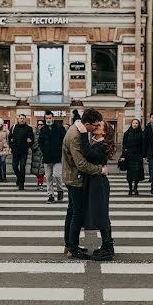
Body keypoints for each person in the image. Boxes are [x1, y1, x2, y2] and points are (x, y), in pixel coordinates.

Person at [62, 108, 109, 259]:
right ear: (86, 124)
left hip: (72, 177)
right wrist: (100, 170)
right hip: (75, 178)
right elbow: (81, 163)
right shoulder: (76, 135)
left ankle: (69, 244)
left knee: (72, 211)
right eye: (93, 126)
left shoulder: (76, 130)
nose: (94, 129)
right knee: (77, 213)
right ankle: (73, 248)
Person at [78, 121, 116, 260]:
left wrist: (83, 134)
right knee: (100, 213)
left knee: (102, 214)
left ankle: (108, 247)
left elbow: (88, 153)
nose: (95, 127)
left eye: (99, 126)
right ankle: (107, 245)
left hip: (98, 183)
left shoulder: (102, 145)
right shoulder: (97, 142)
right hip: (94, 181)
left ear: (104, 132)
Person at [38, 111, 66, 203]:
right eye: (47, 118)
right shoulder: (43, 129)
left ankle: (60, 190)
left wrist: (62, 151)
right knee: (48, 177)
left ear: (53, 118)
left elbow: (64, 141)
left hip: (57, 157)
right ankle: (50, 195)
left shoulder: (59, 128)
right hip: (47, 157)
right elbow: (40, 141)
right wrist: (43, 150)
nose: (48, 120)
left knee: (57, 175)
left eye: (50, 118)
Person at [119, 118, 145, 196]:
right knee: (130, 173)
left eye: (136, 123)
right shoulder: (127, 133)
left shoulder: (141, 133)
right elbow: (124, 145)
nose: (135, 124)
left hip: (138, 156)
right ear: (131, 124)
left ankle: (135, 187)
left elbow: (143, 145)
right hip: (129, 156)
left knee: (137, 172)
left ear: (138, 124)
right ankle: (130, 189)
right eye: (133, 123)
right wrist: (123, 155)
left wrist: (144, 155)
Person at [9, 114, 35, 190]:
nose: (22, 120)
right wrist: (12, 147)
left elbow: (32, 139)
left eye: (23, 118)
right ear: (18, 119)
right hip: (15, 151)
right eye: (21, 118)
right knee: (14, 167)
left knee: (22, 167)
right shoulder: (14, 127)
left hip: (24, 151)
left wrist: (28, 144)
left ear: (25, 119)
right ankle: (19, 178)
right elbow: (10, 138)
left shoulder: (28, 128)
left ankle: (21, 183)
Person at [31, 120, 46, 191]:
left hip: (43, 153)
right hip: (36, 153)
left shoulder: (46, 133)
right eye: (39, 124)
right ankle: (39, 182)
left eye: (41, 124)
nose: (40, 126)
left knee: (41, 171)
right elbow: (32, 143)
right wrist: (35, 146)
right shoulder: (34, 134)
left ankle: (40, 184)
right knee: (36, 171)